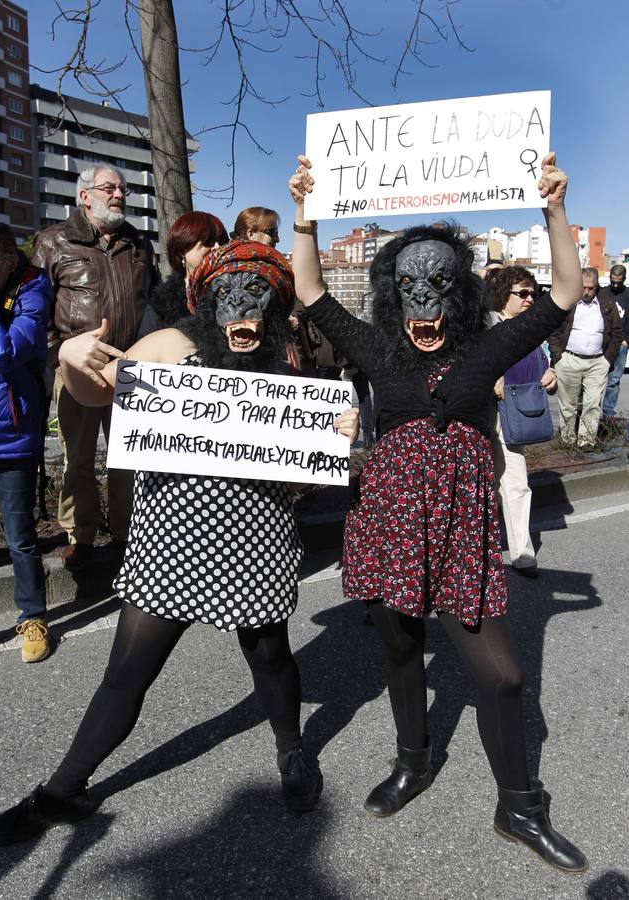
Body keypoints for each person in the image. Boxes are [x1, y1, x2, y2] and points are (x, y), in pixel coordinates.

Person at [0, 239, 359, 846]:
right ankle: (62, 791)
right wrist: (72, 359)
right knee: (127, 673)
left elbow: (310, 450)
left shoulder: (287, 355)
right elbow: (97, 391)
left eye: (258, 292)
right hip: (170, 538)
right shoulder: (168, 345)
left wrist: (340, 429)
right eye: (228, 292)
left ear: (275, 300)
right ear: (204, 297)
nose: (243, 306)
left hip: (256, 533)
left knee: (269, 655)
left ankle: (291, 752)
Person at [287, 151, 588, 873]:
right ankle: (412, 761)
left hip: (458, 532)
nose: (423, 302)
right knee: (397, 645)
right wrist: (304, 214)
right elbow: (308, 289)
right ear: (392, 294)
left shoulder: (487, 349)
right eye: (408, 286)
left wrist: (552, 210)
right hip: (388, 525)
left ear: (457, 294)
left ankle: (518, 806)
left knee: (504, 676)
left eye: (437, 285)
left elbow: (567, 292)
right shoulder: (374, 349)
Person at [31, 165, 158, 571]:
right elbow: (37, 309)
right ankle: (80, 534)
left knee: (128, 457)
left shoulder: (138, 244)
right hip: (77, 370)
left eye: (123, 188)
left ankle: (126, 534)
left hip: (131, 369)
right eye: (109, 188)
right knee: (79, 458)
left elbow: (152, 302)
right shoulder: (54, 241)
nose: (119, 194)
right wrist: (60, 353)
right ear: (85, 195)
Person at [0, 222, 51, 662]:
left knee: (20, 535)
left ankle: (33, 616)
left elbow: (5, 353)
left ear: (9, 262)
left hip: (11, 432)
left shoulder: (33, 290)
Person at [487, 266, 557, 578]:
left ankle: (523, 554)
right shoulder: (486, 324)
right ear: (504, 294)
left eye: (533, 293)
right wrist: (488, 379)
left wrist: (550, 372)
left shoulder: (531, 328)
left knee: (516, 483)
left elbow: (543, 360)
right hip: (483, 414)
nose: (530, 299)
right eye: (523, 293)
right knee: (475, 486)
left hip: (515, 413)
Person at [548, 267, 622, 450]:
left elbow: (617, 333)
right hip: (569, 360)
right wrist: (559, 356)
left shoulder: (607, 304)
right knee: (568, 405)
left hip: (597, 362)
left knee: (592, 404)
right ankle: (566, 440)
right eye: (584, 287)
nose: (587, 292)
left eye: (591, 288)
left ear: (596, 286)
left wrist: (607, 360)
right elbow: (553, 330)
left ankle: (586, 442)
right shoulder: (568, 303)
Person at [150, 210, 229, 326]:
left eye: (222, 242)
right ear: (182, 250)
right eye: (208, 242)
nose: (217, 247)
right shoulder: (161, 303)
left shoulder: (232, 293)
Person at [600, 264, 629, 419]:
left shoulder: (628, 295)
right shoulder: (603, 293)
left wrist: (627, 341)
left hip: (621, 345)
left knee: (613, 382)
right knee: (596, 380)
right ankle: (589, 414)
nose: (616, 284)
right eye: (613, 281)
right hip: (603, 343)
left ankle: (608, 414)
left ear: (624, 279)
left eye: (619, 282)